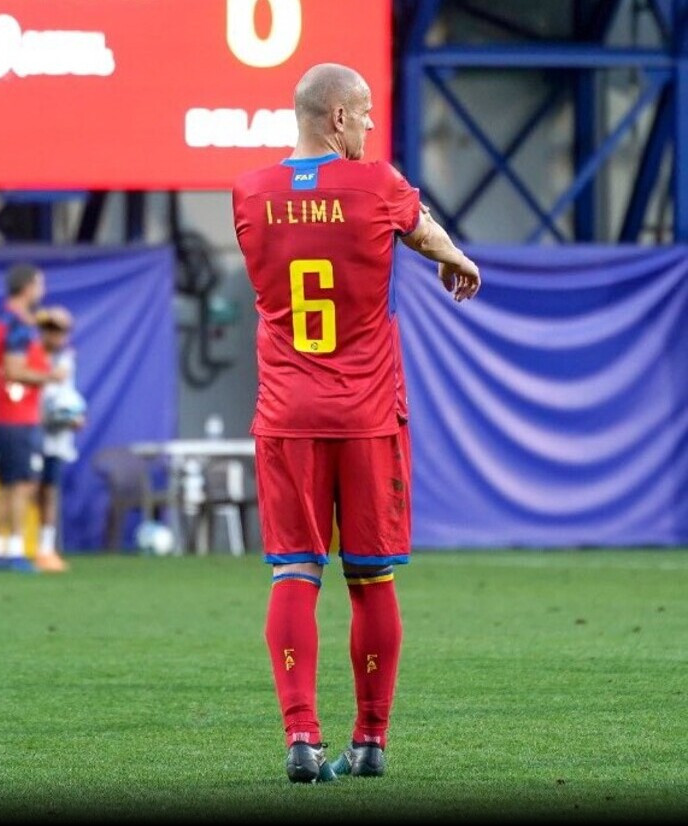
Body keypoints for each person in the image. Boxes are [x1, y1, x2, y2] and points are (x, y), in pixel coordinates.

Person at [232, 63, 481, 783]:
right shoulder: (378, 185)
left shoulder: (249, 193)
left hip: (287, 412)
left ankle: (301, 742)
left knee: (293, 573)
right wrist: (457, 258)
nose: (371, 127)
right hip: (367, 413)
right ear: (337, 117)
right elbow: (423, 233)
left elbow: (295, 231)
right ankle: (370, 741)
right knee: (371, 579)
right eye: (365, 114)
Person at [0, 263, 66, 573]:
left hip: (5, 414)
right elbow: (15, 370)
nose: (42, 292)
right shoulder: (17, 325)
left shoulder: (5, 321)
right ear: (28, 287)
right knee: (23, 485)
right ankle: (15, 551)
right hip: (17, 416)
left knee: (8, 484)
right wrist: (50, 376)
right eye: (40, 285)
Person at [33, 305, 85, 574]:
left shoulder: (66, 359)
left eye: (61, 330)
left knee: (49, 490)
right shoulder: (30, 355)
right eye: (51, 329)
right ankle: (16, 545)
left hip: (55, 436)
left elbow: (67, 394)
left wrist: (74, 414)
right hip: (30, 431)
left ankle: (45, 547)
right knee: (25, 489)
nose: (56, 335)